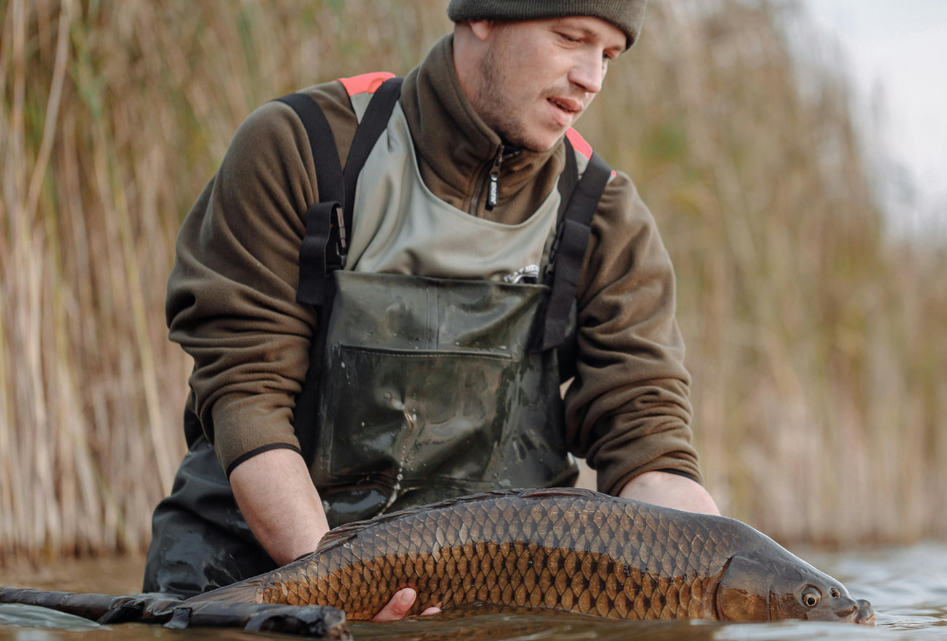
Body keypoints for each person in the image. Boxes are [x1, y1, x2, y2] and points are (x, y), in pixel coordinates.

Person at [143, 0, 719, 620]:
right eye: (570, 38)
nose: (592, 77)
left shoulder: (605, 214)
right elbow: (246, 397)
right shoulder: (302, 145)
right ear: (483, 17)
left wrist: (722, 573)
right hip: (253, 577)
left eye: (608, 55)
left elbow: (650, 443)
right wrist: (343, 591)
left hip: (484, 607)